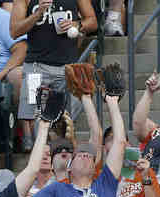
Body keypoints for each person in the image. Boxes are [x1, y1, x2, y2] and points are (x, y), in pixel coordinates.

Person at [10, 0, 97, 147]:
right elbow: (14, 31)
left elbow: (93, 21)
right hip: (35, 67)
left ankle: (62, 155)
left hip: (68, 68)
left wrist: (78, 25)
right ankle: (40, 156)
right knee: (33, 117)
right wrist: (37, 14)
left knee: (68, 119)